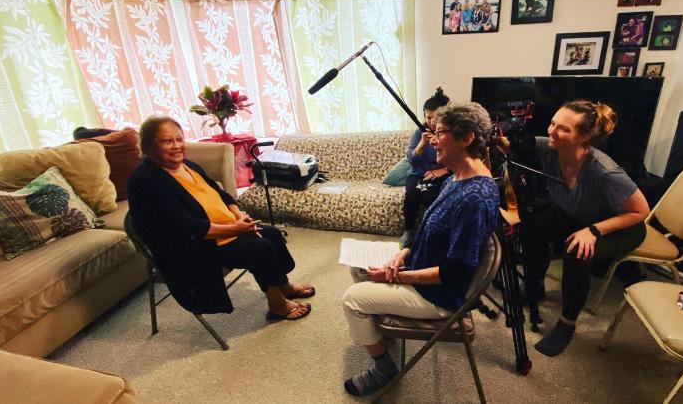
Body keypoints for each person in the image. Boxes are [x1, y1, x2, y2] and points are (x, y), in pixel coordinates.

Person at [341, 102, 499, 396]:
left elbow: (453, 273)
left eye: (440, 133)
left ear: (466, 139)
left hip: (440, 297)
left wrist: (396, 277)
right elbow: (428, 226)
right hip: (420, 265)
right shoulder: (458, 176)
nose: (432, 140)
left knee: (351, 300)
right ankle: (384, 332)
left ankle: (383, 369)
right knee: (358, 266)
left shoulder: (474, 198)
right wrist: (404, 253)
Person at [127, 116, 314, 321]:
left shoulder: (186, 164)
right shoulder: (145, 181)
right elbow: (187, 229)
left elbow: (221, 194)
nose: (176, 146)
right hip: (192, 247)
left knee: (272, 234)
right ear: (148, 146)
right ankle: (277, 305)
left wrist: (238, 216)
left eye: (179, 139)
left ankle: (284, 286)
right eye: (166, 141)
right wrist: (237, 230)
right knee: (259, 248)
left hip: (223, 228)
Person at [519, 100, 650, 357]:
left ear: (585, 136)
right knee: (533, 228)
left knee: (577, 251)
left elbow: (640, 211)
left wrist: (593, 231)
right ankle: (535, 289)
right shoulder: (551, 148)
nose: (552, 131)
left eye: (563, 129)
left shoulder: (605, 171)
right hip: (578, 214)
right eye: (553, 123)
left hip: (619, 226)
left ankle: (567, 324)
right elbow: (513, 143)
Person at [400, 87, 451, 247]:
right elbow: (412, 160)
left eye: (434, 118)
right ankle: (408, 231)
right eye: (427, 117)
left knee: (431, 195)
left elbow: (459, 160)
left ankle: (430, 232)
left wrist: (442, 170)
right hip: (418, 173)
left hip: (442, 174)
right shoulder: (419, 133)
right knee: (412, 194)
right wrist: (422, 143)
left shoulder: (450, 133)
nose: (430, 122)